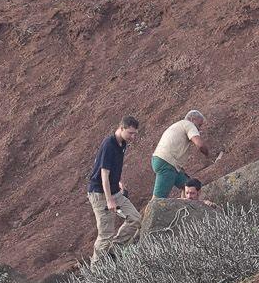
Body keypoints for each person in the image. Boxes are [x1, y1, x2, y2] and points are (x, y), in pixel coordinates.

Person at [86, 116, 143, 263]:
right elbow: (104, 174)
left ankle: (114, 250)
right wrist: (109, 199)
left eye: (135, 133)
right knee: (106, 234)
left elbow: (115, 168)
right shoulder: (109, 144)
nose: (133, 136)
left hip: (115, 191)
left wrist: (119, 182)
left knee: (135, 218)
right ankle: (95, 272)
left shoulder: (122, 144)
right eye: (130, 133)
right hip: (100, 193)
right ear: (121, 128)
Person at [152, 109, 215, 200]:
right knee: (157, 200)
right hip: (167, 163)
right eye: (199, 125)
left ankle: (184, 208)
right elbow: (200, 145)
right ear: (193, 119)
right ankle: (148, 214)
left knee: (187, 184)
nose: (199, 129)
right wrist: (208, 155)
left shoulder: (178, 125)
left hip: (163, 160)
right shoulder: (189, 125)